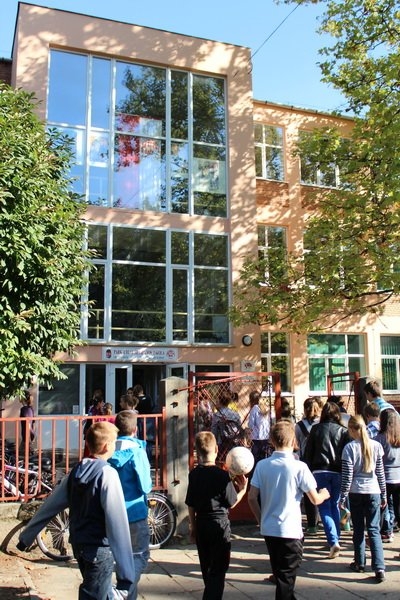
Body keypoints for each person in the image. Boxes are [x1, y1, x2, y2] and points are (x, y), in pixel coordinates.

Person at [17, 421, 136, 599]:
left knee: (98, 591)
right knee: (95, 594)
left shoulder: (76, 471)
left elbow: (50, 506)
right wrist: (126, 574)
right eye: (114, 442)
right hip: (99, 548)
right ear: (106, 446)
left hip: (79, 545)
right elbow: (118, 523)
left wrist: (26, 537)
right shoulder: (108, 474)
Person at [248, 420, 330, 600]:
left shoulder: (262, 465)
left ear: (271, 440)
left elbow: (252, 497)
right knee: (286, 580)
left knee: (282, 576)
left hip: (269, 529)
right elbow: (314, 499)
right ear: (293, 440)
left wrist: (261, 519)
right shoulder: (299, 467)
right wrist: (324, 494)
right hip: (290, 530)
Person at [185, 431, 248, 600]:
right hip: (219, 525)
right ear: (216, 449)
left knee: (206, 566)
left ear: (197, 451)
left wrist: (193, 527)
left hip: (202, 523)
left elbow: (190, 504)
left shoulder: (194, 474)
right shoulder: (222, 475)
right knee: (219, 569)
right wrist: (242, 490)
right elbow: (231, 502)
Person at [109, 411, 153, 600]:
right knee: (139, 556)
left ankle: (126, 593)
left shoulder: (109, 450)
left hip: (112, 513)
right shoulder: (137, 452)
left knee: (121, 560)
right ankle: (121, 591)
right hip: (134, 512)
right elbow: (145, 485)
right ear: (135, 429)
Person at [340, 415, 386, 582]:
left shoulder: (349, 448)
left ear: (352, 429)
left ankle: (360, 562)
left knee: (358, 528)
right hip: (373, 490)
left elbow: (347, 476)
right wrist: (383, 493)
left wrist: (343, 496)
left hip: (356, 491)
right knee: (374, 529)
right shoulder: (376, 446)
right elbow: (380, 473)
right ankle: (379, 567)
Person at [304, 401, 351, 558]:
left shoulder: (316, 429)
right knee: (335, 505)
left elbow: (308, 453)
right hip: (338, 471)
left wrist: (308, 470)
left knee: (324, 507)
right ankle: (335, 538)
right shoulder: (344, 431)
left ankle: (333, 540)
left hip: (319, 470)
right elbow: (346, 455)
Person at [295, 397, 322, 534]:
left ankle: (312, 525)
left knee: (309, 492)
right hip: (323, 461)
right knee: (325, 490)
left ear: (305, 409)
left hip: (307, 462)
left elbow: (296, 446)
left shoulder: (299, 426)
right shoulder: (323, 424)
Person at [375, 409, 400, 543]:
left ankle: (386, 531)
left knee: (383, 506)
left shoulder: (379, 438)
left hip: (384, 477)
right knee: (397, 507)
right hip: (398, 476)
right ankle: (394, 526)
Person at [211, 390, 243, 463]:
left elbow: (214, 431)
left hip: (221, 444)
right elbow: (239, 428)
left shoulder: (216, 415)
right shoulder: (235, 415)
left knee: (221, 462)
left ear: (219, 401)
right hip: (233, 442)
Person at [132, 384, 156, 462]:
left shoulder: (136, 400)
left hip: (140, 421)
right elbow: (152, 407)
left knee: (140, 440)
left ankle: (142, 459)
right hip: (150, 420)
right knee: (149, 441)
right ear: (142, 390)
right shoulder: (148, 398)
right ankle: (148, 459)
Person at [248, 390, 271, 464]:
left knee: (256, 458)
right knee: (264, 457)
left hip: (256, 437)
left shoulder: (254, 408)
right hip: (266, 437)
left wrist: (249, 432)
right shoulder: (265, 407)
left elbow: (251, 424)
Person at [19, 390, 35, 454]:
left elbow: (28, 423)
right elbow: (32, 423)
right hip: (27, 437)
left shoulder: (24, 409)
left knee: (20, 455)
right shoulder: (30, 408)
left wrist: (31, 436)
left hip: (26, 437)